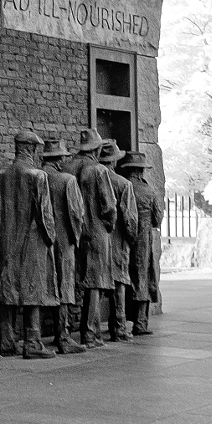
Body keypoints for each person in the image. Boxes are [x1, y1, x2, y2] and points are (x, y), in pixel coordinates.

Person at [0, 131, 57, 359]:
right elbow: (45, 214)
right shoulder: (37, 175)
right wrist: (50, 239)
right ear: (30, 148)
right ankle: (33, 343)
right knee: (32, 290)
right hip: (31, 241)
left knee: (8, 289)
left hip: (5, 241)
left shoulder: (1, 175)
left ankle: (7, 342)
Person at [63, 129, 120, 349]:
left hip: (71, 233)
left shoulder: (66, 167)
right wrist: (108, 226)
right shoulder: (98, 170)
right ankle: (89, 334)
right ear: (96, 149)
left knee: (68, 282)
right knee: (94, 284)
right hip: (96, 231)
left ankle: (65, 332)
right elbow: (109, 206)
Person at [39, 136, 87, 353]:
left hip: (41, 240)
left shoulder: (37, 177)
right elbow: (76, 214)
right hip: (64, 240)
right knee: (65, 286)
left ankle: (38, 335)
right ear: (60, 160)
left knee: (45, 286)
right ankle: (63, 337)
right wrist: (76, 239)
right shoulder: (67, 180)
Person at [116, 149, 162, 336]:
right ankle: (140, 323)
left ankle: (118, 323)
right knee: (142, 277)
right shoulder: (149, 191)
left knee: (122, 278)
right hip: (143, 240)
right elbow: (157, 220)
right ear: (142, 170)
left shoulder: (122, 187)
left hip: (122, 238)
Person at [99, 139, 137, 342]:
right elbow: (130, 218)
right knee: (119, 283)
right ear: (114, 162)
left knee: (95, 286)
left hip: (97, 242)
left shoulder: (89, 178)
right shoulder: (124, 184)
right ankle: (119, 327)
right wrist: (132, 239)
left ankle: (93, 328)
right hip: (118, 240)